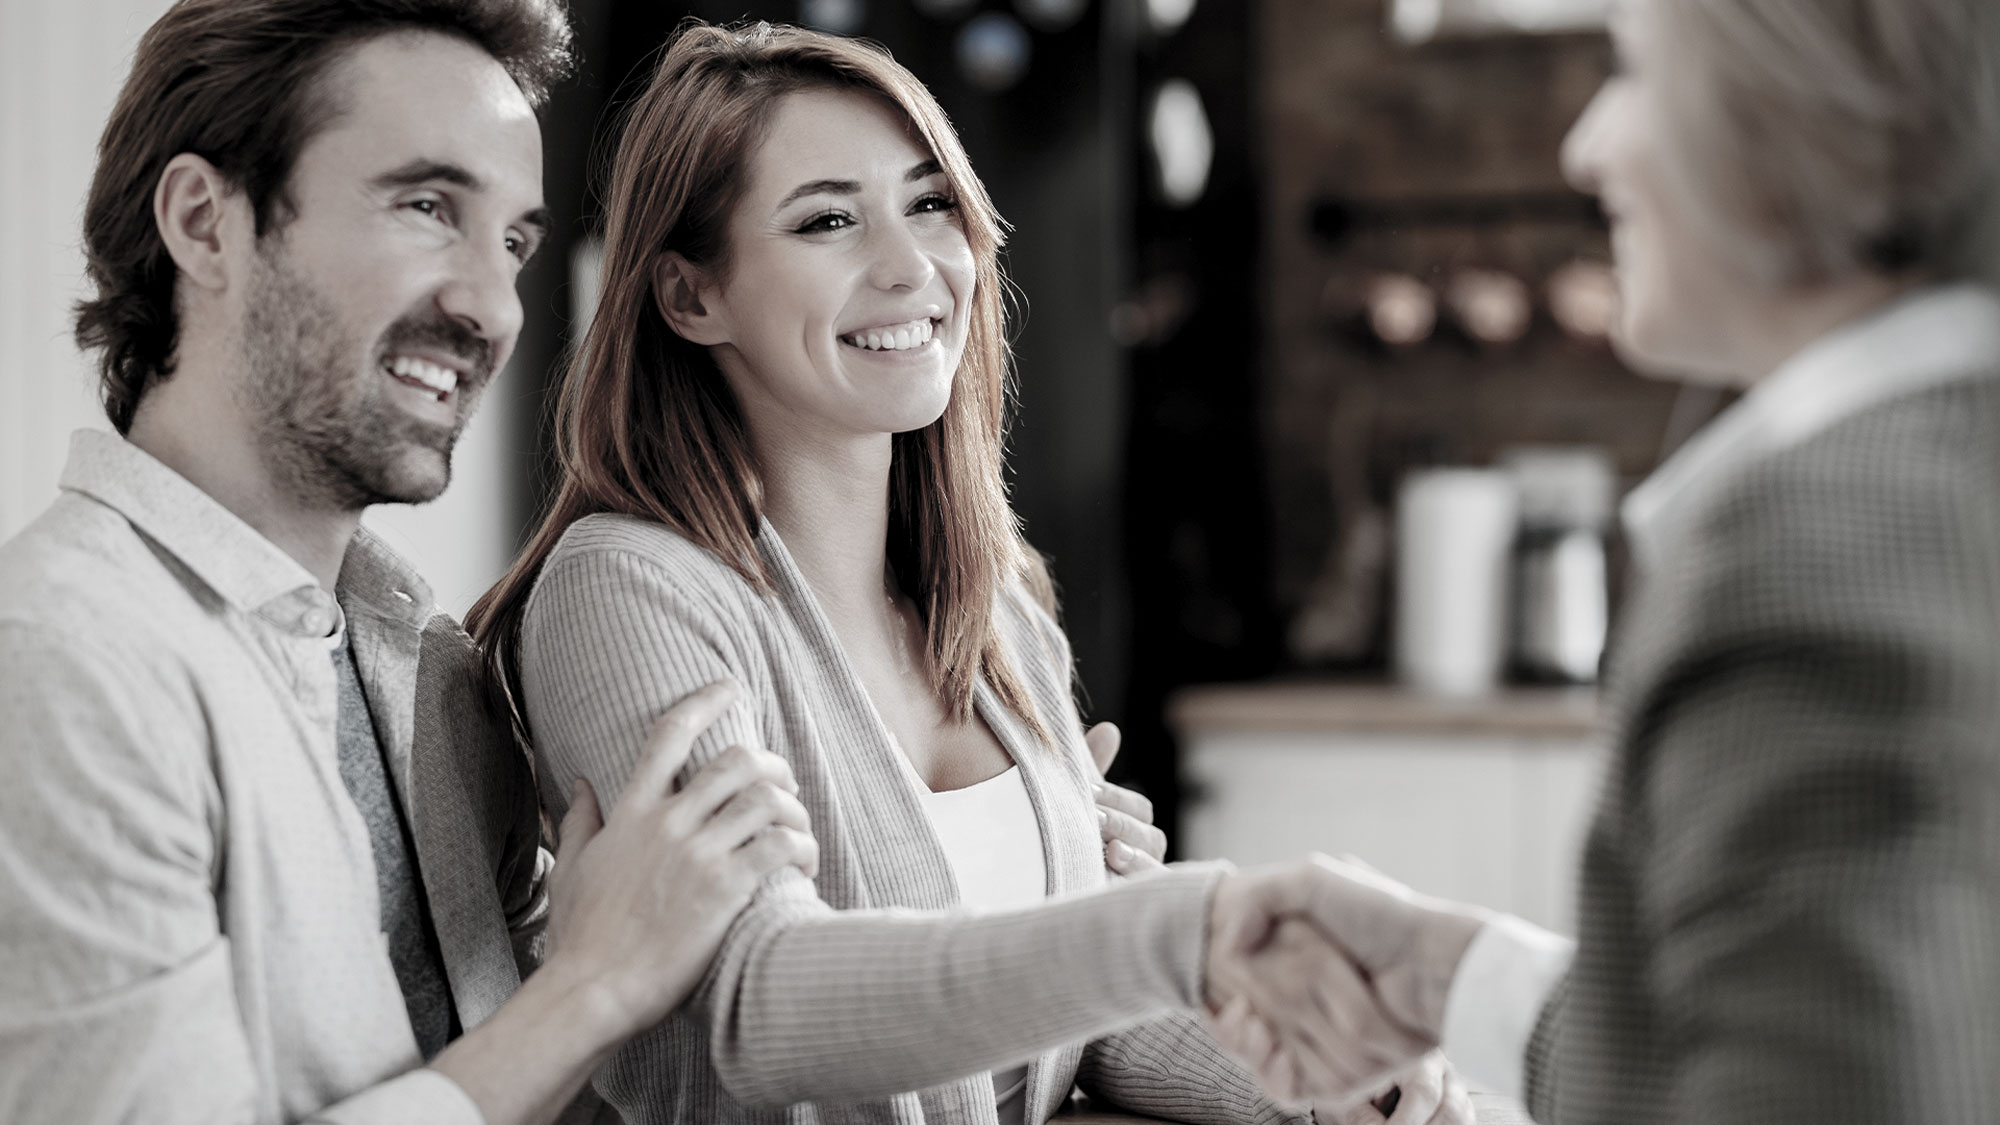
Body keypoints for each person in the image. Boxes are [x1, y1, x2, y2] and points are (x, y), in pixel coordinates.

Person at [465, 21, 1471, 1125]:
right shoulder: (630, 592)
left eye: (930, 202)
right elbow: (759, 1001)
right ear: (689, 297)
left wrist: (1325, 1091)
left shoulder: (996, 603)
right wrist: (1163, 931)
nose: (909, 267)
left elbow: (1083, 1019)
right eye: (828, 220)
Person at [0, 3, 824, 1122]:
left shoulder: (431, 672)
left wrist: (1017, 843)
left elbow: (518, 1081)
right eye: (428, 207)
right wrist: (590, 988)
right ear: (206, 223)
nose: (492, 306)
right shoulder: (59, 664)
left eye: (516, 243)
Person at [1208, 0, 2000, 1122]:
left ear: (1790, 113)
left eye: (1630, 71)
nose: (1585, 147)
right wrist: (1447, 977)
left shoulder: (1819, 558)